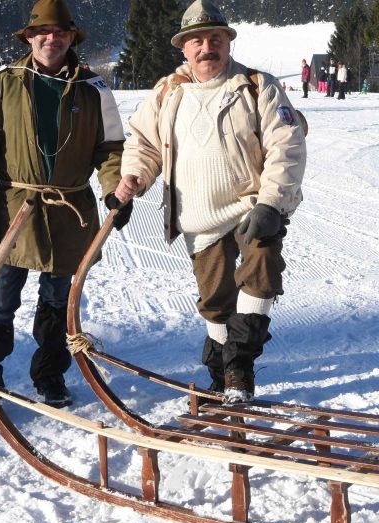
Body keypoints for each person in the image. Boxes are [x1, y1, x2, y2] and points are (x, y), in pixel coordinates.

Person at [117, 0, 306, 404]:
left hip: (251, 206)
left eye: (216, 38)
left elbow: (287, 145)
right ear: (184, 48)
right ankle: (221, 375)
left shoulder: (257, 85)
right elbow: (143, 143)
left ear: (228, 43)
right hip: (198, 216)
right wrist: (134, 175)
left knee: (261, 269)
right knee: (215, 300)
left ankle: (240, 367)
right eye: (197, 40)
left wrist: (271, 203)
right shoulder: (169, 91)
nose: (207, 47)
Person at [0, 0, 128, 428]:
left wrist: (114, 192)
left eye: (60, 33)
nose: (51, 39)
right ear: (29, 38)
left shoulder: (95, 89)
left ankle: (50, 376)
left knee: (58, 303)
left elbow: (111, 151)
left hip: (71, 212)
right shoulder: (1, 84)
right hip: (15, 209)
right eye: (42, 33)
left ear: (71, 37)